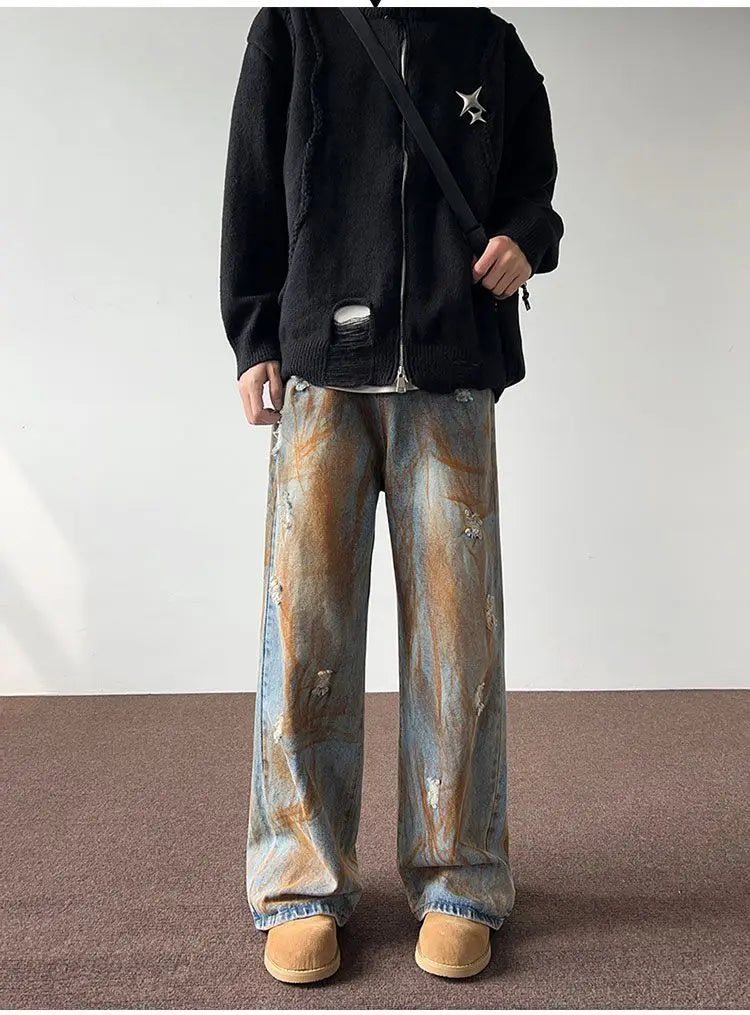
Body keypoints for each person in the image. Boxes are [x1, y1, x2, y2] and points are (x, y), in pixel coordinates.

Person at [219, 6, 563, 984]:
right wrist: (253, 336)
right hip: (322, 374)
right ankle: (298, 881)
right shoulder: (293, 27)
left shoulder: (488, 41)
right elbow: (251, 185)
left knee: (459, 636)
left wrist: (525, 238)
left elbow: (534, 184)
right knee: (305, 630)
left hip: (451, 375)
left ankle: (461, 879)